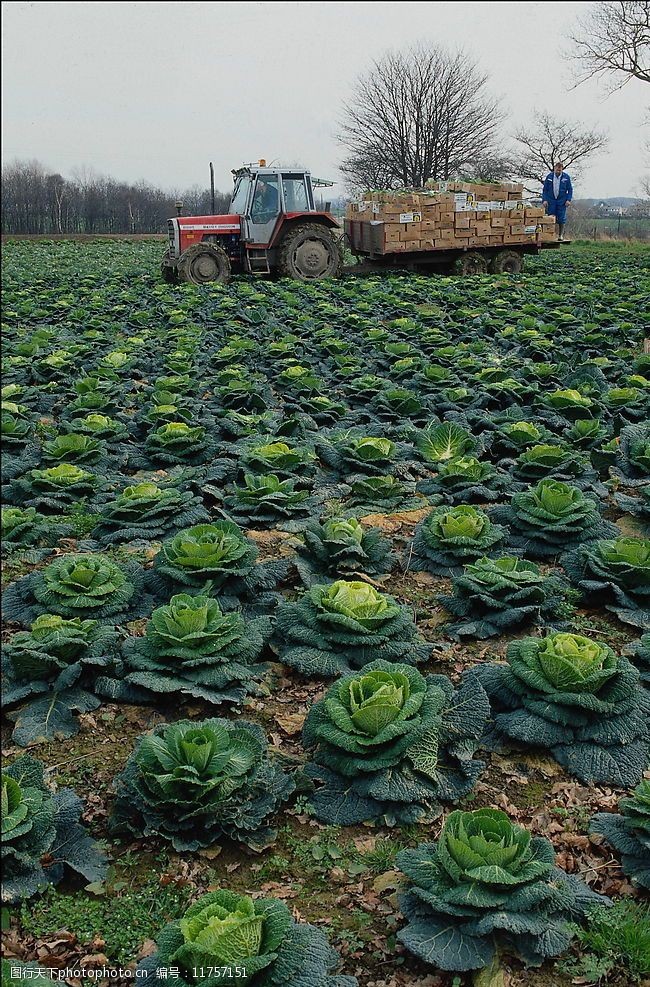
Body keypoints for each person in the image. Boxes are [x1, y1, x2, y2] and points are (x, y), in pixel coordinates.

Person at [542, 162, 573, 241]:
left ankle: (560, 235)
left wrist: (568, 200)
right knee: (551, 217)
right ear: (554, 168)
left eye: (560, 170)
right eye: (557, 170)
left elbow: (570, 189)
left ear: (562, 169)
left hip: (562, 200)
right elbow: (545, 189)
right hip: (551, 200)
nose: (558, 172)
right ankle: (550, 234)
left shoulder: (566, 177)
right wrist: (544, 199)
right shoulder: (549, 177)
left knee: (561, 218)